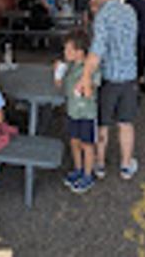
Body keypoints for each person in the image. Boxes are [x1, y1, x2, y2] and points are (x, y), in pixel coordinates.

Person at [77, 0, 139, 180]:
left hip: (108, 78)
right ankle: (126, 165)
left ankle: (100, 164)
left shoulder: (103, 16)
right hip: (129, 76)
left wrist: (85, 76)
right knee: (125, 123)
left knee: (103, 123)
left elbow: (97, 52)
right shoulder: (130, 11)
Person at [54, 29, 100, 194]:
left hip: (87, 114)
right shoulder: (70, 66)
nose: (65, 52)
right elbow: (60, 86)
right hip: (72, 112)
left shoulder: (91, 68)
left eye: (68, 49)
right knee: (74, 142)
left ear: (80, 52)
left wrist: (84, 84)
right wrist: (58, 74)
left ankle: (88, 175)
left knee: (87, 144)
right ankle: (78, 169)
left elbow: (90, 92)